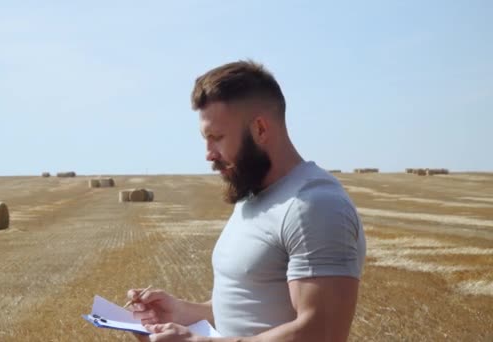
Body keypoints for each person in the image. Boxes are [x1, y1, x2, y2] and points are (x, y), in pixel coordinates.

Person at [128, 60, 366, 342]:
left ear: (260, 129)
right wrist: (182, 313)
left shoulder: (313, 207)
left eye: (216, 138)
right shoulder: (253, 195)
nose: (209, 154)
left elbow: (321, 333)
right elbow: (247, 310)